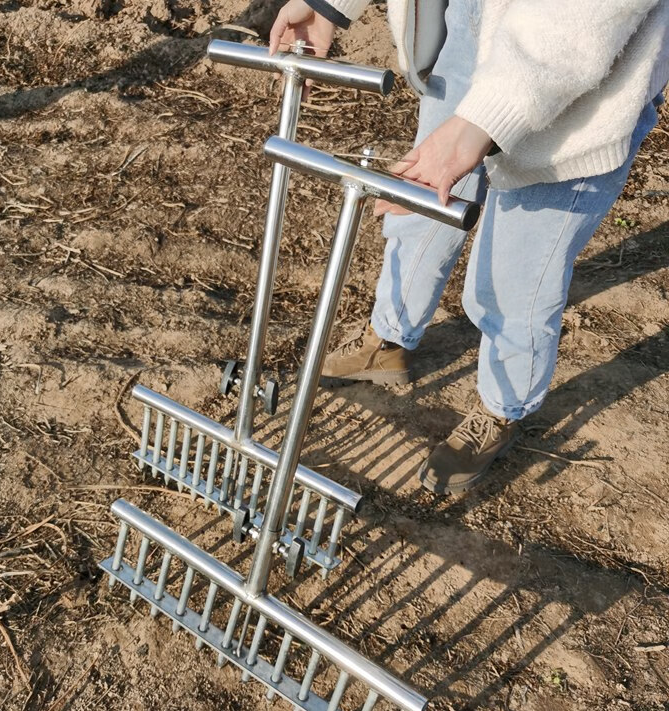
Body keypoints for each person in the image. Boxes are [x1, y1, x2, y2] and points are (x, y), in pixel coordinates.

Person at [268, 0, 669, 494]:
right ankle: (389, 340)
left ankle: (504, 407)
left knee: (517, 276)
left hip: (583, 66)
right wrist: (330, 4)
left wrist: (482, 123)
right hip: (472, 20)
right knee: (420, 207)